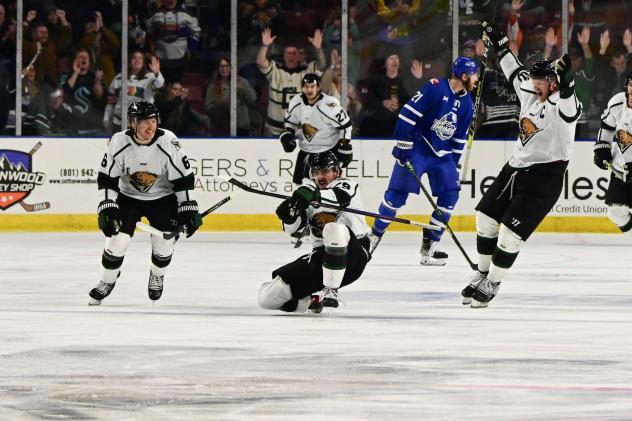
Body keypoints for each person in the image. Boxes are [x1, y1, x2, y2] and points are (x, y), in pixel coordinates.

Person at [461, 22, 580, 308]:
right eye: (535, 80)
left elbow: (569, 106)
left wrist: (568, 83)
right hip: (513, 168)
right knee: (485, 220)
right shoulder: (529, 88)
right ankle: (481, 274)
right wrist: (499, 41)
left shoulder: (564, 103)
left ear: (554, 83)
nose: (536, 85)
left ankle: (494, 282)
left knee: (510, 234)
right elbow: (512, 67)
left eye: (543, 81)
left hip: (544, 177)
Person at [89, 101, 202, 305]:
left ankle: (157, 275)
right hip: (128, 198)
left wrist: (188, 207)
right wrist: (107, 206)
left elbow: (183, 179)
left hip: (163, 199)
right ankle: (107, 281)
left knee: (164, 243)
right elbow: (107, 179)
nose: (151, 127)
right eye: (144, 122)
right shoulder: (118, 141)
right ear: (132, 123)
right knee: (117, 241)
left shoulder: (169, 140)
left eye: (153, 121)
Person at [369, 56, 478, 266]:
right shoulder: (435, 87)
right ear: (464, 76)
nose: (476, 80)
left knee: (450, 195)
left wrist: (454, 163)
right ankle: (374, 237)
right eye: (474, 76)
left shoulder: (467, 103)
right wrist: (403, 144)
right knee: (396, 195)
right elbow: (407, 114)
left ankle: (430, 246)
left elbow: (458, 138)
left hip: (442, 154)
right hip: (418, 146)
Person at [258, 151, 371, 314]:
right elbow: (292, 228)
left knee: (333, 228)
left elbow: (340, 198)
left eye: (325, 171)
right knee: (266, 297)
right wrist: (289, 215)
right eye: (316, 173)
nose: (320, 177)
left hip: (353, 255)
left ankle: (331, 289)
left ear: (337, 172)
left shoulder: (347, 185)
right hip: (322, 258)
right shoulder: (309, 195)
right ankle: (310, 301)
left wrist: (312, 195)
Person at [279, 73, 353, 186]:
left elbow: (345, 126)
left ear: (318, 87)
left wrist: (344, 146)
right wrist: (287, 136)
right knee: (300, 187)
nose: (309, 90)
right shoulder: (296, 101)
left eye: (312, 86)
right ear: (303, 88)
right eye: (306, 86)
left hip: (328, 152)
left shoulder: (328, 105)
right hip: (306, 152)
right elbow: (290, 123)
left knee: (329, 187)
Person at [256, 27, 327, 136]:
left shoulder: (307, 72)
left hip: (299, 133)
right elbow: (261, 62)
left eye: (294, 53)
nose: (291, 55)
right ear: (284, 56)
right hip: (273, 131)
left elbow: (322, 65)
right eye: (288, 53)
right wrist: (265, 46)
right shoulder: (275, 71)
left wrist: (318, 48)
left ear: (299, 57)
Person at [593, 72, 632, 235]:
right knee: (616, 212)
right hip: (621, 170)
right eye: (631, 84)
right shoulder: (617, 102)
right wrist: (602, 147)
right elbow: (607, 126)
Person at [103, 51, 165, 134]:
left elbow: (160, 86)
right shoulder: (119, 78)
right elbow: (111, 101)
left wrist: (157, 73)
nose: (137, 60)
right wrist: (106, 118)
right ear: (129, 61)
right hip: (119, 123)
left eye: (140, 58)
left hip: (143, 124)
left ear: (143, 61)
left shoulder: (150, 77)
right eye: (134, 58)